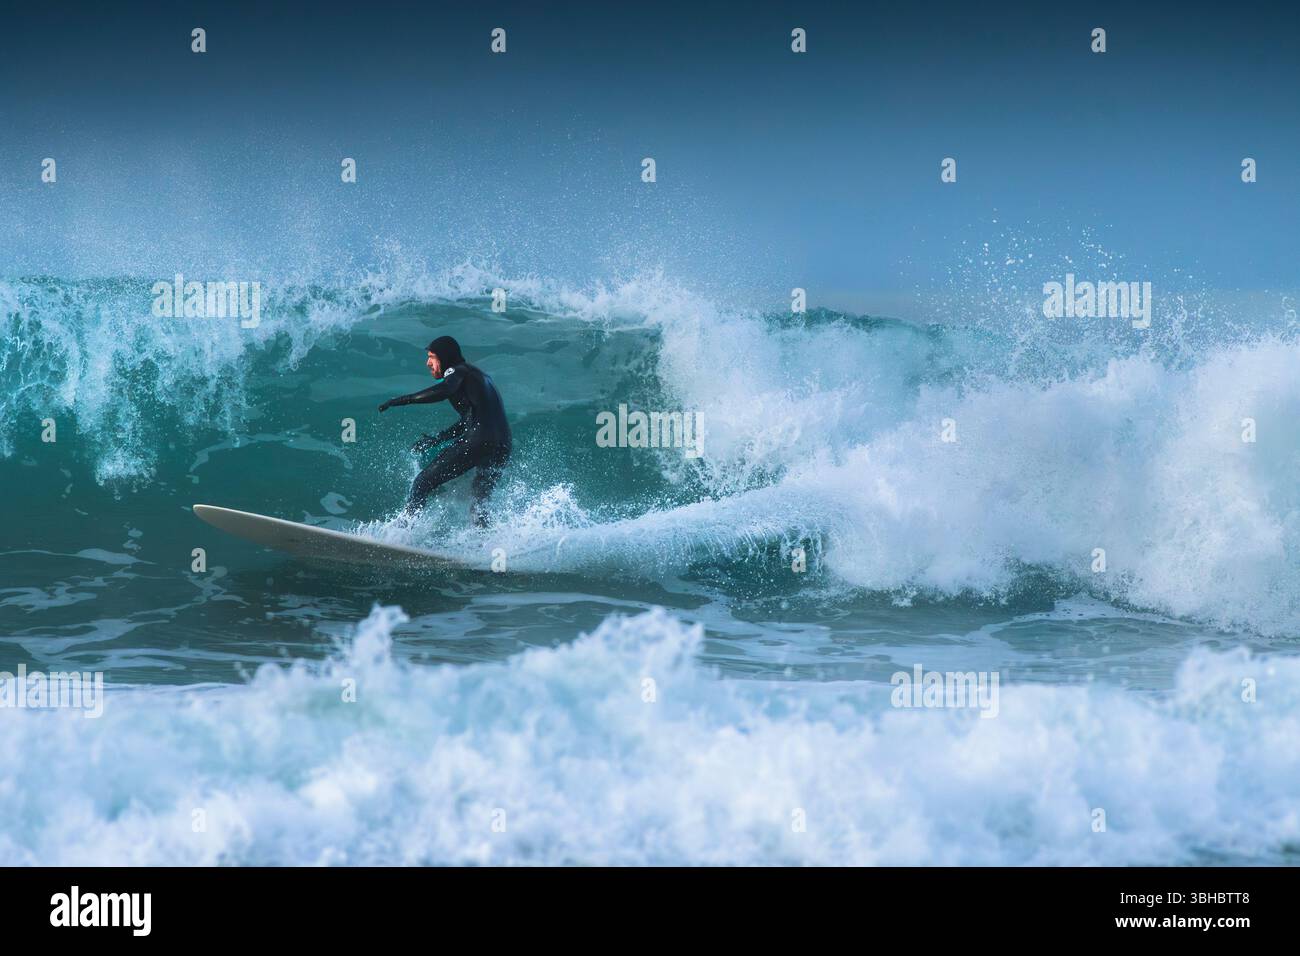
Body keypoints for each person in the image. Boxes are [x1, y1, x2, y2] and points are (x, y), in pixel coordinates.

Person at [378, 336, 511, 526]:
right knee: (479, 506)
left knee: (421, 483)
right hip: (502, 445)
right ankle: (487, 543)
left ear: (445, 357)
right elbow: (470, 421)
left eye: (432, 357)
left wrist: (404, 400)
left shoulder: (455, 371)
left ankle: (401, 533)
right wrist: (438, 440)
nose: (428, 363)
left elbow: (446, 389)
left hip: (480, 438)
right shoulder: (477, 376)